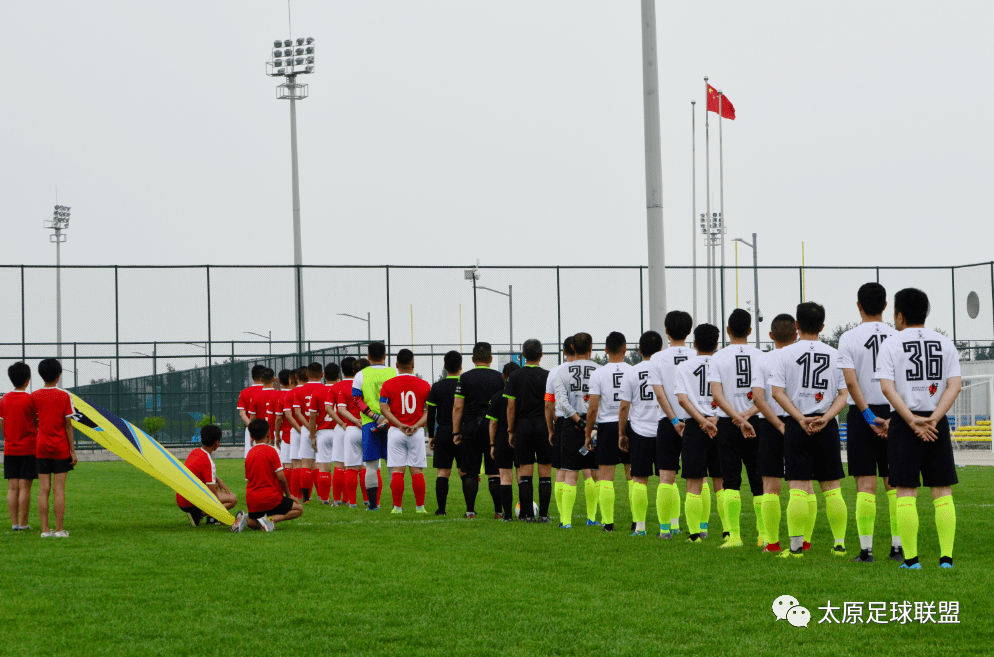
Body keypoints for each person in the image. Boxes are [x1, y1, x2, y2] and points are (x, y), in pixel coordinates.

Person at [877, 288, 961, 570]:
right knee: (942, 491)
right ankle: (946, 559)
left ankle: (911, 560)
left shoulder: (891, 343)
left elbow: (887, 387)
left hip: (904, 422)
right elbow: (954, 385)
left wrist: (911, 420)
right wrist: (935, 419)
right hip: (936, 422)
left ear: (899, 315)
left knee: (905, 491)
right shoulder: (945, 343)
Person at [771, 302, 850, 559]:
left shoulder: (784, 354)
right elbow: (843, 394)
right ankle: (839, 545)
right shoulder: (835, 353)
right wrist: (826, 418)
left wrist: (800, 418)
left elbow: (777, 393)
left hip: (797, 424)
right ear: (823, 327)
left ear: (797, 325)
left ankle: (795, 549)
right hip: (826, 426)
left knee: (797, 487)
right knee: (832, 488)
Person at [837, 282, 902, 563]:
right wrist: (891, 418)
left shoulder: (848, 338)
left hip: (862, 414)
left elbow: (850, 382)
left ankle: (866, 551)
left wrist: (867, 417)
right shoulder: (899, 337)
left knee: (865, 483)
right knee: (895, 484)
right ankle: (898, 548)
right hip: (894, 412)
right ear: (886, 306)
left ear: (858, 306)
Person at [708, 309, 765, 549]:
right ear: (751, 330)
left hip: (728, 423)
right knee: (759, 480)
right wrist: (747, 416)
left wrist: (736, 418)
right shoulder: (763, 356)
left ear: (728, 330)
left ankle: (734, 537)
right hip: (756, 422)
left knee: (730, 480)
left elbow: (717, 395)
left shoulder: (718, 357)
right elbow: (767, 395)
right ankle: (764, 535)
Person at [749, 313, 798, 554]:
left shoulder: (764, 360)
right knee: (802, 485)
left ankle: (773, 543)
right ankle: (804, 542)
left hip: (770, 422)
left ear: (770, 336)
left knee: (770, 485)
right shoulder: (801, 356)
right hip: (800, 422)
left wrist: (777, 424)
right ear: (796, 334)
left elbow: (758, 398)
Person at [648, 310, 697, 538]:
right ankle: (701, 528)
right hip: (696, 420)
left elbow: (660, 395)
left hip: (669, 422)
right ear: (689, 331)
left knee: (666, 477)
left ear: (666, 331)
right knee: (697, 477)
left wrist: (674, 420)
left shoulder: (657, 358)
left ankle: (665, 529)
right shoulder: (697, 354)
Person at [674, 325, 723, 544]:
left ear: (694, 344)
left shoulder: (684, 367)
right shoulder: (723, 363)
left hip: (695, 425)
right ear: (717, 344)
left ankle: (695, 535)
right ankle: (729, 531)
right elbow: (729, 397)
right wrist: (715, 419)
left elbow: (682, 399)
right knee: (721, 482)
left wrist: (702, 421)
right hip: (719, 424)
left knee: (693, 482)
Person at [551, 332, 600, 529]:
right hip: (595, 424)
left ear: (572, 348)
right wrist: (591, 423)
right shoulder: (600, 370)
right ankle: (592, 517)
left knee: (570, 473)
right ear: (590, 348)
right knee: (594, 472)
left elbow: (561, 403)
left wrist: (578, 421)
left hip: (571, 425)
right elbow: (601, 401)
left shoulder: (561, 371)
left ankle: (566, 521)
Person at [618, 331, 665, 536]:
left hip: (639, 430)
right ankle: (671, 525)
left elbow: (624, 407)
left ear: (639, 350)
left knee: (639, 479)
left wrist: (622, 433)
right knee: (667, 479)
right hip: (664, 428)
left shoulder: (631, 371)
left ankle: (640, 527)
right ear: (660, 350)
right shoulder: (665, 369)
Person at [452, 342, 505, 519]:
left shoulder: (464, 378)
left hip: (471, 427)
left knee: (470, 470)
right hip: (493, 427)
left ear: (473, 359)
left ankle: (470, 511)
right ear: (491, 359)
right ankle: (498, 511)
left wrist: (456, 432)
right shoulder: (499, 378)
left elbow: (458, 407)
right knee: (494, 470)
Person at [586, 332, 632, 532]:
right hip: (631, 425)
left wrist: (588, 434)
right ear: (624, 349)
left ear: (605, 350)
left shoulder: (598, 374)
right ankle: (637, 522)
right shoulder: (633, 370)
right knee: (634, 477)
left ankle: (608, 523)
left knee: (606, 477)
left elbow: (593, 408)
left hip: (607, 427)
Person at [505, 339, 553, 522]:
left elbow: (511, 407)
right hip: (542, 424)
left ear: (523, 355)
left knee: (525, 471)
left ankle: (528, 516)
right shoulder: (548, 375)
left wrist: (510, 430)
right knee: (545, 472)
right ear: (541, 355)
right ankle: (543, 515)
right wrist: (551, 427)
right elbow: (550, 404)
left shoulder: (514, 377)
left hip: (523, 426)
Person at [378, 349, 431, 514]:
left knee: (398, 470)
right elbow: (429, 411)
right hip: (416, 432)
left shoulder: (388, 384)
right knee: (417, 470)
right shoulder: (424, 385)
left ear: (396, 365)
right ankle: (420, 508)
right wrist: (415, 425)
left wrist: (399, 425)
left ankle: (398, 508)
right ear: (413, 364)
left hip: (396, 432)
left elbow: (383, 409)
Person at [32, 359, 76, 538]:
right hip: (60, 448)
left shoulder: (34, 396)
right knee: (59, 489)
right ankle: (59, 530)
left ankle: (44, 530)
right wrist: (73, 451)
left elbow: (34, 421)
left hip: (41, 448)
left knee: (43, 489)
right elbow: (68, 425)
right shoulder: (65, 396)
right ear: (59, 375)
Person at [232, 419, 302, 532]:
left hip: (253, 501)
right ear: (269, 434)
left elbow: (248, 480)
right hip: (271, 499)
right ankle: (269, 520)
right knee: (298, 509)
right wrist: (289, 494)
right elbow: (280, 476)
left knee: (254, 524)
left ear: (251, 436)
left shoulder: (249, 454)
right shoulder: (272, 451)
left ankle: (244, 519)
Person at [352, 343, 397, 511]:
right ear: (385, 356)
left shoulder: (361, 375)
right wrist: (388, 418)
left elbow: (357, 399)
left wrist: (374, 416)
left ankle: (372, 506)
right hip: (392, 423)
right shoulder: (393, 372)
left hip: (370, 423)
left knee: (371, 465)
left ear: (368, 356)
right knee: (393, 464)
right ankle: (396, 504)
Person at [177, 425, 238, 526]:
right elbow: (213, 495)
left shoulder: (194, 452)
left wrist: (219, 481)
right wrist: (223, 515)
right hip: (190, 503)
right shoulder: (208, 461)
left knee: (216, 486)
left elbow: (198, 471)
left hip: (181, 499)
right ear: (217, 443)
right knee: (233, 499)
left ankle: (210, 519)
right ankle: (199, 514)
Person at [1, 362, 37, 532]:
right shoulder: (30, 399)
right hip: (28, 449)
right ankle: (23, 524)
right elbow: (37, 423)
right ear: (28, 380)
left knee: (12, 487)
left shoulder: (4, 399)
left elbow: (2, 424)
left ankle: (14, 524)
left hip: (10, 449)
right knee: (25, 487)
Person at [544, 337, 577, 516]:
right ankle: (593, 516)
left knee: (562, 469)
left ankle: (563, 515)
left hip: (564, 422)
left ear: (564, 352)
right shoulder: (593, 369)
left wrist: (551, 428)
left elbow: (549, 403)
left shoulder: (555, 372)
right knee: (591, 470)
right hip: (588, 421)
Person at [426, 351, 462, 515]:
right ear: (461, 366)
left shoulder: (437, 386)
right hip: (461, 432)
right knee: (464, 471)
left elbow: (430, 413)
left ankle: (441, 509)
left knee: (443, 473)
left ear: (445, 366)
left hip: (444, 432)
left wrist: (431, 436)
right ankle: (470, 509)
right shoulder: (464, 385)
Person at [309, 363, 344, 504]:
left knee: (324, 466)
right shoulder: (343, 389)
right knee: (343, 466)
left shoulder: (318, 392)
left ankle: (324, 499)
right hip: (340, 431)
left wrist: (312, 435)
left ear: (324, 376)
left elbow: (312, 417)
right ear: (338, 376)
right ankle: (343, 499)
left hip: (323, 432)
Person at [488, 362, 520, 520]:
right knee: (522, 476)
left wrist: (492, 444)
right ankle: (526, 513)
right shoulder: (522, 396)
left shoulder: (496, 397)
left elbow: (492, 423)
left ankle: (507, 515)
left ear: (503, 376)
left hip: (501, 438)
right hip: (519, 437)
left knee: (505, 477)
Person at [327, 358, 358, 506]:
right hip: (359, 427)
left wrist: (341, 423)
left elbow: (328, 408)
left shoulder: (335, 387)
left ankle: (338, 500)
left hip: (342, 428)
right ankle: (355, 500)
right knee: (356, 466)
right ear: (355, 370)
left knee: (339, 465)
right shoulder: (361, 385)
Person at [293, 363, 325, 503]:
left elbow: (297, 413)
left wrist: (309, 429)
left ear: (307, 375)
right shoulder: (325, 389)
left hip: (306, 430)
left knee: (305, 463)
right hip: (323, 428)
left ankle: (306, 498)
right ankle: (321, 496)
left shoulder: (298, 391)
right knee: (320, 464)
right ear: (322, 375)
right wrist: (316, 429)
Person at [338, 358, 367, 508]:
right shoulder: (374, 387)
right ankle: (371, 501)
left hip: (352, 429)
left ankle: (353, 503)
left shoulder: (346, 388)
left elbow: (341, 409)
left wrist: (356, 421)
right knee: (370, 467)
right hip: (370, 428)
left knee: (351, 467)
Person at [236, 364, 265, 458]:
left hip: (250, 429)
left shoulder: (244, 392)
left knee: (251, 457)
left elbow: (242, 414)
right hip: (269, 429)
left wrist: (253, 426)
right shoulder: (272, 391)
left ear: (252, 376)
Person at [248, 368, 280, 449]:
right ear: (273, 379)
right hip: (276, 432)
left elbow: (252, 419)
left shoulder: (255, 396)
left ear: (261, 379)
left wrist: (251, 436)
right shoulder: (279, 394)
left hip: (261, 434)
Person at [272, 369, 296, 477]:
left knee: (286, 465)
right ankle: (302, 493)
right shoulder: (298, 393)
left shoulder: (278, 396)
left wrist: (276, 434)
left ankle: (288, 492)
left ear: (280, 382)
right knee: (302, 464)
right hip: (303, 431)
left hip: (285, 433)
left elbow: (277, 419)